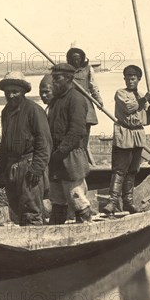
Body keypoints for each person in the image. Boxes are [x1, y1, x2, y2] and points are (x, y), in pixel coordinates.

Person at [0, 71, 52, 226]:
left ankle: (36, 245)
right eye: (8, 92)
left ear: (23, 92)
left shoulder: (34, 110)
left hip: (29, 167)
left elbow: (44, 142)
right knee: (17, 209)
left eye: (15, 92)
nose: (11, 95)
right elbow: (5, 143)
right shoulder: (5, 112)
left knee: (31, 211)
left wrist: (37, 168)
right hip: (12, 168)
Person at [103, 65, 150, 215]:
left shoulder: (140, 96)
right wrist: (145, 99)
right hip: (124, 134)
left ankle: (128, 202)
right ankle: (112, 202)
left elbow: (146, 120)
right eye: (127, 78)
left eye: (133, 79)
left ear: (138, 80)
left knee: (132, 170)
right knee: (120, 170)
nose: (130, 81)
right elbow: (129, 108)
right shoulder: (120, 93)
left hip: (137, 135)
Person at [47, 63, 93, 224]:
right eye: (53, 79)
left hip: (70, 158)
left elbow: (77, 131)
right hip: (56, 159)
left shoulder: (76, 99)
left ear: (68, 79)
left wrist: (60, 152)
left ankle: (87, 230)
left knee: (77, 198)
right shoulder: (55, 101)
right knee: (58, 200)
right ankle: (54, 233)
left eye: (57, 79)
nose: (53, 82)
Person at [67, 48, 104, 148]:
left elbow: (93, 86)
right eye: (73, 58)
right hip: (71, 103)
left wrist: (99, 100)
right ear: (70, 59)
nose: (76, 61)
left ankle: (83, 152)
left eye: (78, 58)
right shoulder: (66, 70)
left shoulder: (88, 69)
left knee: (85, 132)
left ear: (82, 58)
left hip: (85, 102)